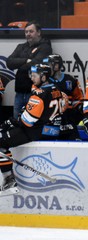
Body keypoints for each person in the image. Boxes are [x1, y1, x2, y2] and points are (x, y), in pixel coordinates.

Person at [0, 64, 66, 196]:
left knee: (1, 140)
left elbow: (27, 122)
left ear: (44, 76)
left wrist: (11, 121)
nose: (32, 78)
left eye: (34, 75)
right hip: (52, 130)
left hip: (37, 132)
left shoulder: (39, 94)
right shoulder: (57, 89)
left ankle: (9, 179)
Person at [6, 20, 52, 119]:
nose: (28, 34)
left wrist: (19, 63)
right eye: (26, 32)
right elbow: (9, 62)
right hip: (19, 92)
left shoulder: (45, 47)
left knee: (32, 122)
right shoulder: (21, 47)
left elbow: (35, 64)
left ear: (39, 32)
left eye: (31, 31)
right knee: (16, 121)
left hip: (34, 93)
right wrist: (26, 60)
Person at [43, 54, 84, 140]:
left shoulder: (70, 80)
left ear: (57, 66)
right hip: (50, 125)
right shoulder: (44, 81)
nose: (46, 68)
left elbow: (79, 99)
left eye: (48, 65)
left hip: (68, 123)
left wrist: (76, 113)